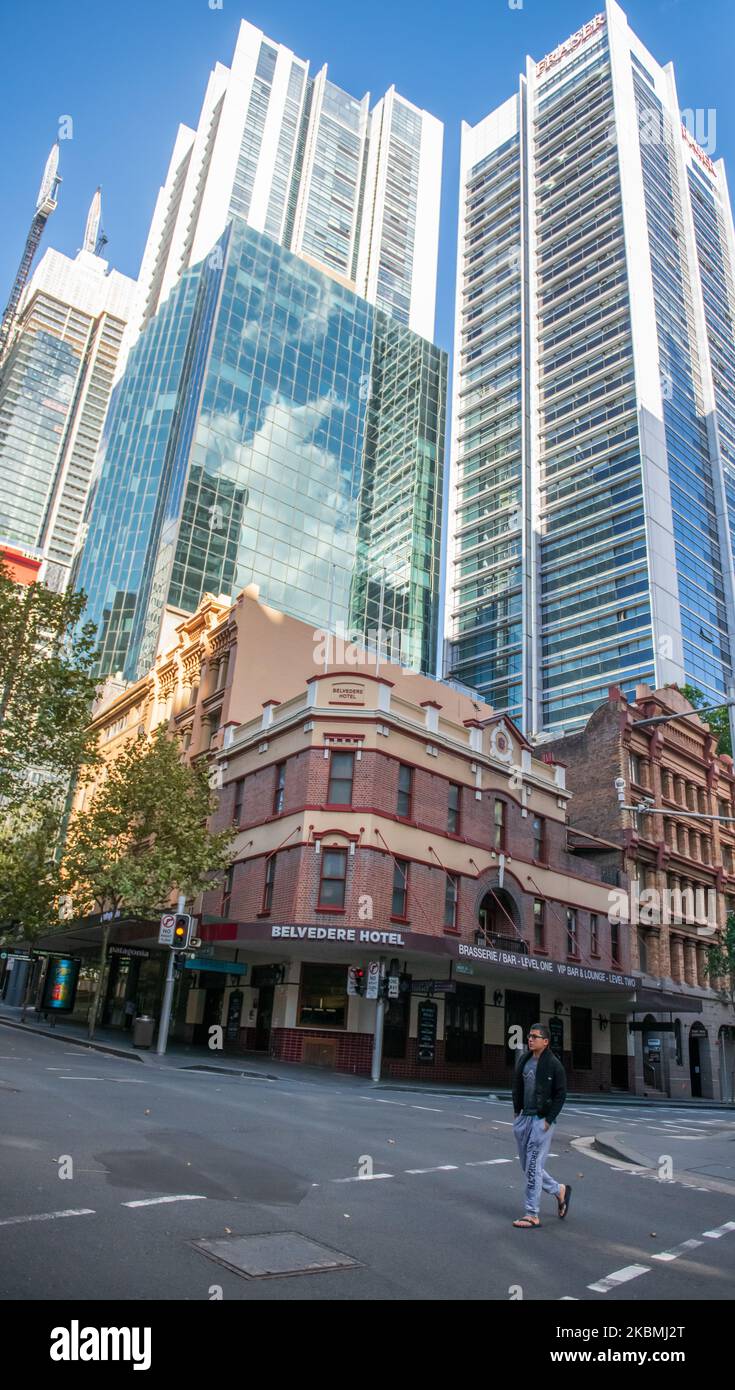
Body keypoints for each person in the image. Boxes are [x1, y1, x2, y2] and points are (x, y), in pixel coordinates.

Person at [511, 1022, 571, 1229]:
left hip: (540, 1120)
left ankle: (532, 1213)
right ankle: (558, 1190)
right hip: (523, 1118)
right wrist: (516, 1111)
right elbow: (517, 1085)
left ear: (545, 1041)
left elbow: (561, 1094)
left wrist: (548, 1119)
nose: (530, 1039)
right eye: (529, 1036)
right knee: (527, 1167)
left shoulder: (554, 1065)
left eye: (535, 1037)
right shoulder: (525, 1060)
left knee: (534, 1167)